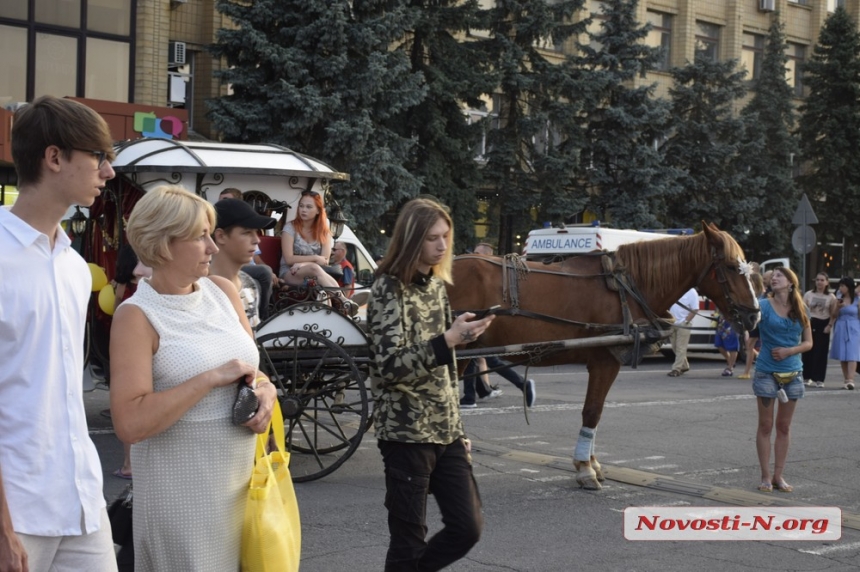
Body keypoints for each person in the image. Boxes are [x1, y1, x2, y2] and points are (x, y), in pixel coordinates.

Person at [109, 185, 278, 571]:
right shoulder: (136, 315)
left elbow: (254, 370)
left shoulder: (222, 290)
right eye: (200, 236)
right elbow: (130, 423)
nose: (213, 246)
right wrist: (209, 379)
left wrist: (267, 392)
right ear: (163, 243)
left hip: (242, 486)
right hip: (182, 497)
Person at [0, 95, 119, 572]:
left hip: (81, 501)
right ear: (54, 158)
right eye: (98, 156)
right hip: (18, 508)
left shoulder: (72, 266)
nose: (107, 171)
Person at [367, 198, 493, 571]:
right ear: (411, 240)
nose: (442, 246)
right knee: (407, 542)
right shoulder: (388, 289)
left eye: (445, 237)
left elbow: (443, 368)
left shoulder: (437, 285)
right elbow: (387, 367)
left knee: (467, 527)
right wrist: (449, 340)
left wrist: (459, 427)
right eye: (432, 238)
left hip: (445, 430)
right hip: (406, 434)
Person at [753, 266, 811, 493]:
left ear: (790, 282)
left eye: (779, 275)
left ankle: (779, 476)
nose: (773, 278)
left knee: (784, 427)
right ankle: (765, 477)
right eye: (772, 276)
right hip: (766, 372)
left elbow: (809, 343)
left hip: (793, 374)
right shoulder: (763, 306)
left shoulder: (800, 307)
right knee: (766, 425)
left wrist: (790, 351)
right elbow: (747, 322)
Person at [112, 244, 153, 480]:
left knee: (127, 403)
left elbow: (117, 307)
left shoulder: (124, 286)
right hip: (146, 342)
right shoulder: (151, 285)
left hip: (125, 341)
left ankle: (128, 464)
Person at [279, 190, 357, 315]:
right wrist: (314, 258)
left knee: (317, 270)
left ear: (318, 211)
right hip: (290, 273)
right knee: (315, 268)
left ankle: (343, 305)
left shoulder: (324, 232)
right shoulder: (290, 228)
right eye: (301, 206)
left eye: (309, 207)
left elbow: (325, 260)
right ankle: (344, 301)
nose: (303, 210)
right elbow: (289, 259)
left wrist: (303, 264)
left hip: (314, 274)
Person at [210, 198, 277, 328]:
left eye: (256, 232)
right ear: (221, 236)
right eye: (247, 233)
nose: (257, 240)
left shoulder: (249, 284)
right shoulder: (198, 287)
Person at [802, 272, 836, 388]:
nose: (819, 282)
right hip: (810, 322)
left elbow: (833, 313)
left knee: (820, 352)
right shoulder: (808, 294)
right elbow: (803, 309)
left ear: (827, 282)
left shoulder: (831, 297)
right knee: (808, 351)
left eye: (822, 280)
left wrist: (829, 325)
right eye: (817, 280)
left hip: (823, 323)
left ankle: (819, 378)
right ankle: (807, 377)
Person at [828, 276, 859, 390]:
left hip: (854, 325)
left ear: (849, 287)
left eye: (843, 286)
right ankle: (846, 379)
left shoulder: (857, 299)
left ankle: (851, 379)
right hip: (841, 325)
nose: (840, 288)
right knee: (843, 353)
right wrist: (838, 307)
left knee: (852, 353)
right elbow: (834, 315)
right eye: (840, 286)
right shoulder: (838, 298)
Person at [738, 273, 766, 380]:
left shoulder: (760, 295)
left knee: (749, 346)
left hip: (759, 322)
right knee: (749, 345)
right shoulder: (756, 294)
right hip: (756, 322)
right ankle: (749, 369)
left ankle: (747, 371)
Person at [667, 288, 699, 377]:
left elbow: (695, 309)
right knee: (674, 347)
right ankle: (684, 366)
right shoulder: (676, 288)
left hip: (683, 324)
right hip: (672, 322)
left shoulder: (692, 292)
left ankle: (676, 369)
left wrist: (686, 321)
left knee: (681, 347)